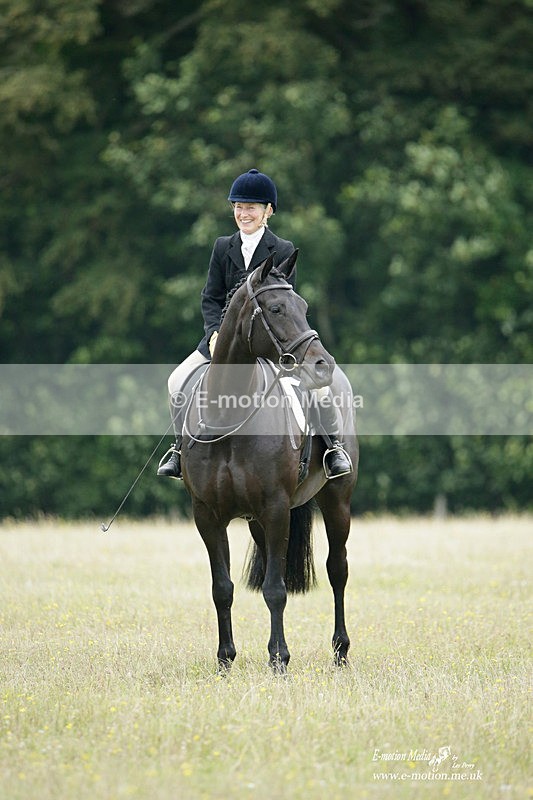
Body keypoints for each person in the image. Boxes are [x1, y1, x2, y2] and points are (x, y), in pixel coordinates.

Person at [157, 168, 352, 480]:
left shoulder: (284, 249)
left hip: (270, 344)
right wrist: (213, 333)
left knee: (319, 390)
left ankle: (333, 449)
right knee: (176, 381)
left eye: (250, 207)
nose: (242, 213)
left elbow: (286, 306)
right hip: (225, 343)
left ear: (268, 211)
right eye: (238, 206)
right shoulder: (223, 247)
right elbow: (211, 297)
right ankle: (179, 449)